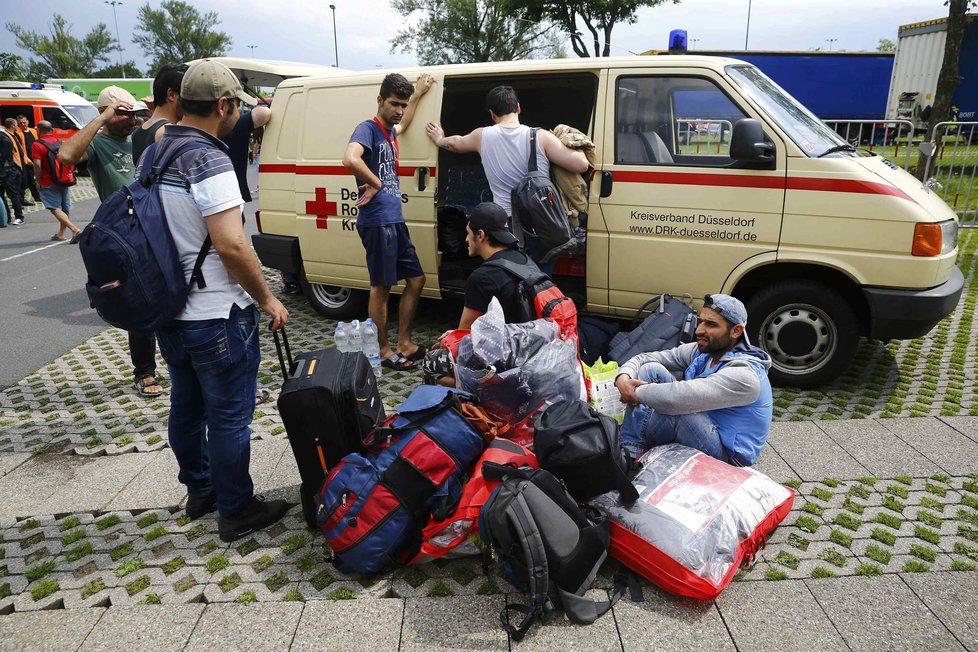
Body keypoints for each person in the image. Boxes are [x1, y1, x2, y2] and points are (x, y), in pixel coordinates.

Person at [152, 58, 290, 541]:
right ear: (225, 104)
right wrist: (268, 298)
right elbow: (232, 244)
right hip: (215, 313)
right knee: (229, 416)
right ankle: (236, 509)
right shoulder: (207, 158)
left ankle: (201, 489)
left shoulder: (157, 150)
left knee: (186, 407)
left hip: (170, 311)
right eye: (237, 106)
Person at [59, 86, 164, 398]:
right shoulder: (99, 143)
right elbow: (67, 155)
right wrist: (101, 117)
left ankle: (183, 363)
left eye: (131, 114)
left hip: (158, 227)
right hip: (125, 236)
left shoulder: (141, 136)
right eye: (121, 114)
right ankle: (144, 371)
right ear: (104, 112)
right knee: (140, 302)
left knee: (173, 296)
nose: (128, 120)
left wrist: (151, 109)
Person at [424, 85, 589, 266]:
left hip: (504, 225)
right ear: (518, 107)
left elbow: (456, 143)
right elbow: (581, 165)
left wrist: (439, 140)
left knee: (510, 274)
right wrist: (576, 143)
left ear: (492, 114)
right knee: (539, 278)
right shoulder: (540, 136)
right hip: (541, 222)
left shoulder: (481, 136)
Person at [614, 294, 773, 467]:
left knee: (677, 410)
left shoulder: (745, 376)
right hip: (704, 426)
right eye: (701, 321)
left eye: (711, 324)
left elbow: (677, 398)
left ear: (736, 331)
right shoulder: (703, 351)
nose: (698, 330)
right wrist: (623, 378)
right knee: (650, 369)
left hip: (728, 456)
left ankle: (627, 457)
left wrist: (634, 393)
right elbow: (645, 358)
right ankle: (630, 449)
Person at [342, 72, 434, 371]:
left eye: (403, 105)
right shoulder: (367, 128)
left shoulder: (391, 131)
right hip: (377, 221)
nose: (399, 110)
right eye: (394, 104)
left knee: (416, 280)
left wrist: (418, 94)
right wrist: (375, 183)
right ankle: (382, 350)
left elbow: (404, 124)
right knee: (381, 287)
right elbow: (350, 159)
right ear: (380, 100)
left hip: (394, 219)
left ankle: (404, 343)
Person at [457, 201, 541, 330]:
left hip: (510, 348)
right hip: (539, 340)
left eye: (468, 233)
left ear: (480, 235)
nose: (466, 239)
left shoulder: (482, 278)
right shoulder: (524, 259)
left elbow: (464, 331)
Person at [30, 120, 81, 243]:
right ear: (52, 130)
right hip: (63, 179)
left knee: (54, 208)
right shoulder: (59, 142)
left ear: (39, 131)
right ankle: (61, 233)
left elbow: (37, 164)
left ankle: (74, 229)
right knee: (65, 207)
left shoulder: (37, 145)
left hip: (48, 181)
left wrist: (38, 180)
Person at [132, 63, 187, 165]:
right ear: (171, 95)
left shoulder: (138, 133)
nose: (191, 100)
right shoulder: (169, 133)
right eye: (187, 94)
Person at [0, 118, 26, 224]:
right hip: (6, 170)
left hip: (8, 171)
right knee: (2, 195)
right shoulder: (6, 137)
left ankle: (19, 216)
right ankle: (6, 217)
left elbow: (4, 157)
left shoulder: (5, 139)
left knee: (12, 194)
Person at [17, 115, 40, 205]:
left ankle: (36, 196)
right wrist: (27, 159)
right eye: (20, 123)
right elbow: (20, 148)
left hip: (34, 158)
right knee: (25, 180)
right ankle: (21, 199)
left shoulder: (33, 131)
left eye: (24, 122)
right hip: (24, 160)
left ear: (27, 122)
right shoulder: (18, 133)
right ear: (18, 124)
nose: (23, 124)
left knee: (31, 179)